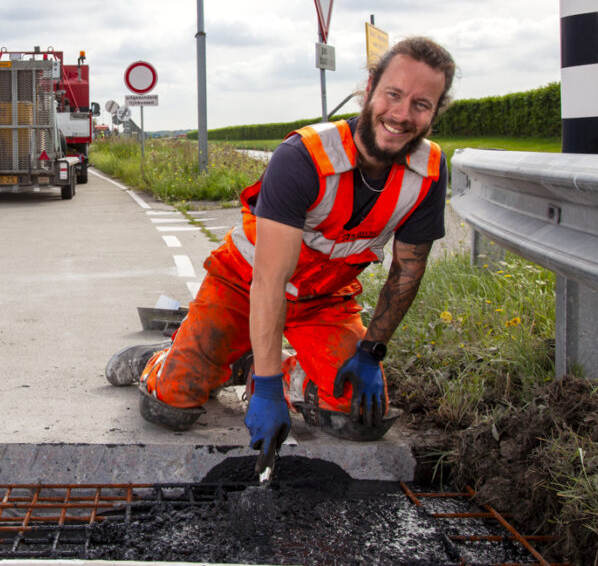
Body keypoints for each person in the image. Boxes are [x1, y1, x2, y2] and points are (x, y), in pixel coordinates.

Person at [105, 36, 456, 458]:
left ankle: (268, 366)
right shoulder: (305, 157)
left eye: (421, 104)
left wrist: (369, 351)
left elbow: (406, 274)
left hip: (324, 301)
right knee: (172, 405)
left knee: (360, 416)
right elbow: (269, 282)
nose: (401, 115)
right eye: (393, 95)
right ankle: (163, 360)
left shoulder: (428, 173)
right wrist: (268, 394)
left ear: (435, 113)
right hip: (244, 287)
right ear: (369, 90)